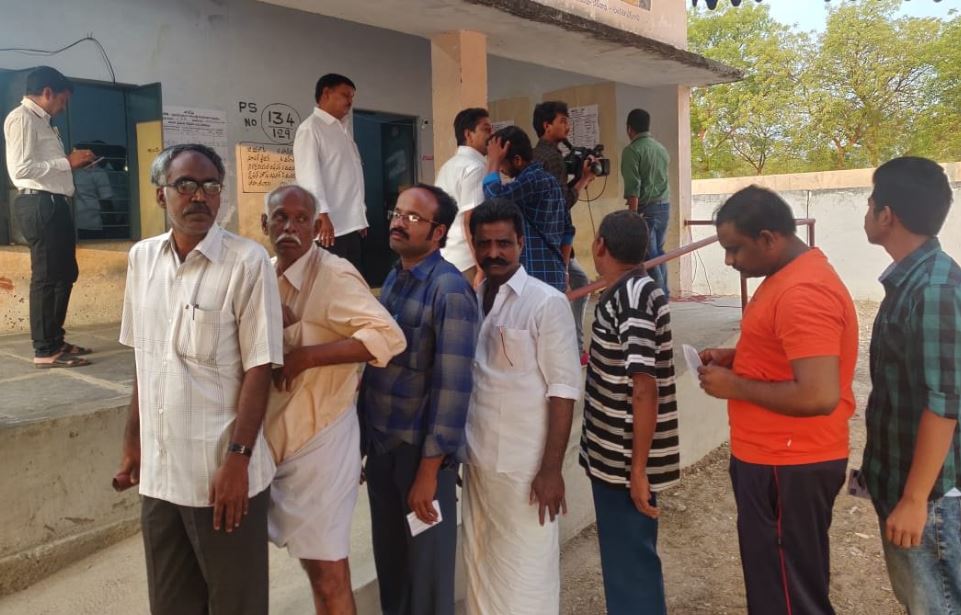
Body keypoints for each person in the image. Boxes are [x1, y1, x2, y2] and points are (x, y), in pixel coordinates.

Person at [115, 144, 284, 615]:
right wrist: (133, 444)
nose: (199, 197)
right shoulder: (142, 260)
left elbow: (260, 367)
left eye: (211, 186)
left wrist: (238, 462)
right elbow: (144, 361)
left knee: (236, 603)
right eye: (185, 185)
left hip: (221, 477)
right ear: (159, 195)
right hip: (161, 474)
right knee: (170, 603)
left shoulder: (247, 262)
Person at [697, 186, 858, 615]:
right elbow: (789, 359)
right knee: (779, 583)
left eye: (735, 249)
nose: (730, 261)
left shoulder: (802, 292)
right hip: (775, 460)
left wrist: (736, 386)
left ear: (769, 238)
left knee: (789, 595)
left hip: (789, 464)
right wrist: (739, 360)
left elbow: (818, 393)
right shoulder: (784, 278)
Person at [261, 184, 406, 615]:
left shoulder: (335, 274)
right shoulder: (264, 274)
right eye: (280, 217)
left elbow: (388, 336)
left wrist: (306, 356)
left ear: (317, 226)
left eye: (302, 218)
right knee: (312, 569)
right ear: (264, 224)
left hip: (321, 443)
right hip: (276, 445)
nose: (290, 227)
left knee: (329, 574)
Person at [358, 184, 479, 615]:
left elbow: (453, 388)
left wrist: (429, 472)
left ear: (438, 232)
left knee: (426, 577)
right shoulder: (396, 278)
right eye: (398, 212)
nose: (398, 222)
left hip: (421, 458)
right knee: (392, 567)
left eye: (413, 217)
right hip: (384, 449)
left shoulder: (449, 291)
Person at [461, 199, 581, 614]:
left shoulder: (546, 303)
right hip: (477, 464)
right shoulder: (472, 298)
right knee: (481, 565)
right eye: (484, 243)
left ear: (521, 244)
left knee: (527, 575)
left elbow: (563, 389)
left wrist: (551, 470)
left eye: (503, 243)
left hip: (525, 470)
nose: (493, 252)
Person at [860, 157, 961, 613]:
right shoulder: (913, 280)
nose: (867, 210)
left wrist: (917, 499)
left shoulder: (935, 287)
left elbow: (945, 403)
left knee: (935, 603)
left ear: (887, 215)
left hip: (931, 498)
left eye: (871, 202)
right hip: (903, 484)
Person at [580, 210, 679, 615]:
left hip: (623, 463)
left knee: (630, 567)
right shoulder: (625, 291)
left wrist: (638, 471)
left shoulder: (634, 298)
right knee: (623, 563)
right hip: (612, 459)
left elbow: (644, 385)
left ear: (599, 245)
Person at [4, 65, 95, 367]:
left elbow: (47, 165)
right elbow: (20, 170)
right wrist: (65, 163)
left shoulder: (42, 122)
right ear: (47, 93)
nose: (63, 106)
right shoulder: (22, 119)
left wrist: (68, 165)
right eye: (62, 100)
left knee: (65, 273)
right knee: (46, 277)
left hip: (54, 203)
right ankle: (45, 350)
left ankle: (55, 338)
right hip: (38, 204)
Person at [532, 101, 596, 363]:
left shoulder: (538, 156)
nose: (567, 126)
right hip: (556, 240)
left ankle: (572, 348)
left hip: (543, 239)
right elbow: (562, 203)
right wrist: (584, 180)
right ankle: (572, 348)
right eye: (562, 121)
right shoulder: (553, 158)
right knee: (574, 286)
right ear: (547, 126)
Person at [482, 125, 571, 293]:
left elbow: (494, 197)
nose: (500, 170)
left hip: (536, 276)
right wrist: (564, 269)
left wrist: (492, 162)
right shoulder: (549, 181)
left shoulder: (532, 180)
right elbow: (568, 231)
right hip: (554, 272)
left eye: (502, 163)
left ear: (517, 160)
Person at [293, 73, 368, 272]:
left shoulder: (343, 130)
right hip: (329, 227)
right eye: (346, 95)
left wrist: (359, 215)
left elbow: (351, 178)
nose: (350, 102)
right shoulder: (311, 129)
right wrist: (321, 216)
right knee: (331, 285)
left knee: (351, 281)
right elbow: (308, 177)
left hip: (350, 225)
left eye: (352, 97)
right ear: (326, 93)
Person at [436, 107, 491, 286]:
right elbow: (471, 219)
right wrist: (481, 268)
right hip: (468, 261)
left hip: (448, 255)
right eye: (486, 129)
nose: (491, 135)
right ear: (469, 134)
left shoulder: (448, 166)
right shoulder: (475, 168)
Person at [621, 108, 670, 298]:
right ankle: (664, 294)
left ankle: (660, 298)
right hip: (664, 206)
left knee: (648, 257)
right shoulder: (661, 149)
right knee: (659, 253)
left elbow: (634, 188)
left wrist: (633, 217)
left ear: (629, 129)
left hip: (645, 209)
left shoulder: (632, 151)